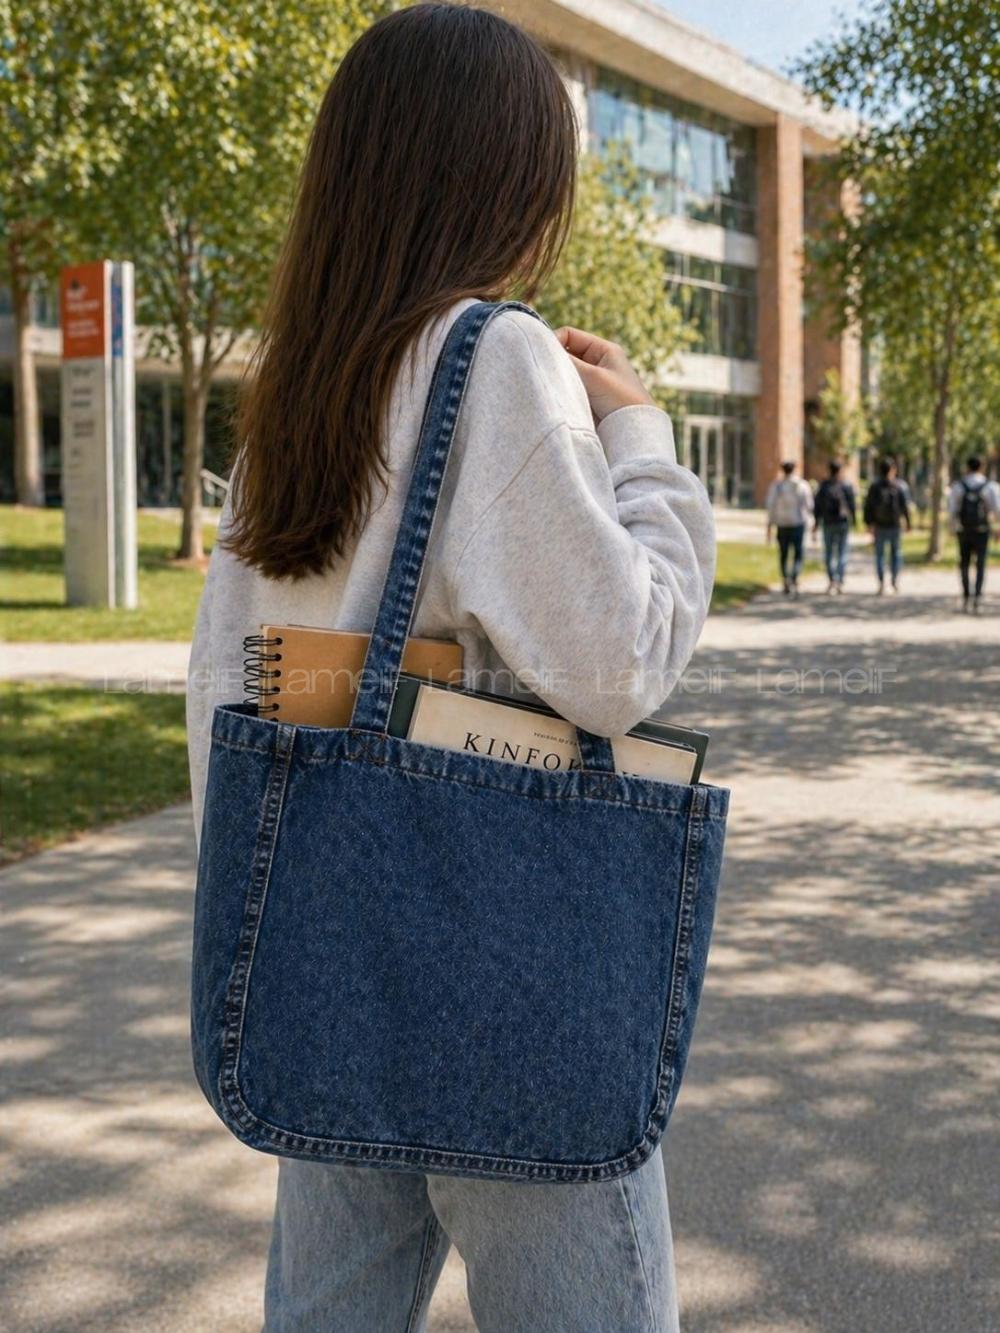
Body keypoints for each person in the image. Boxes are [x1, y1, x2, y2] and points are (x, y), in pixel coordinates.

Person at [185, 7, 715, 1331]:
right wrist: (641, 435)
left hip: (326, 953)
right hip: (499, 968)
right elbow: (620, 656)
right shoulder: (495, 360)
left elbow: (234, 696)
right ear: (509, 186)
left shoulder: (301, 396)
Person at [948, 455, 1000, 612]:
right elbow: (997, 509)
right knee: (981, 564)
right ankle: (977, 597)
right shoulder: (989, 486)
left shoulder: (958, 486)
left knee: (964, 563)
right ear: (982, 467)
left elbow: (952, 509)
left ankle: (965, 596)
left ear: (967, 467)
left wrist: (952, 528)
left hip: (964, 530)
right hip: (982, 530)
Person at [863, 457, 911, 594]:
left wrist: (869, 523)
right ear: (892, 470)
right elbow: (905, 507)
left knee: (880, 555)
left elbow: (868, 506)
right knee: (896, 553)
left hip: (879, 525)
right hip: (895, 525)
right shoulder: (899, 485)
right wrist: (908, 523)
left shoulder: (874, 486)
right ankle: (895, 581)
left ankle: (881, 582)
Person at [765, 460, 813, 597]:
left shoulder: (777, 486)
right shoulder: (802, 485)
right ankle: (795, 576)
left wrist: (769, 525)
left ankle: (785, 578)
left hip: (782, 524)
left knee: (784, 553)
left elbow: (771, 506)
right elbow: (809, 505)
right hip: (798, 523)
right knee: (798, 553)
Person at [812, 458, 857, 593]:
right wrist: (854, 520)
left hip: (828, 522)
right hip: (842, 522)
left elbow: (817, 506)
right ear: (840, 470)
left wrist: (816, 523)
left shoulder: (824, 486)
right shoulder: (846, 485)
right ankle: (840, 579)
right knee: (842, 552)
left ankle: (832, 579)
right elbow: (852, 505)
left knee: (829, 553)